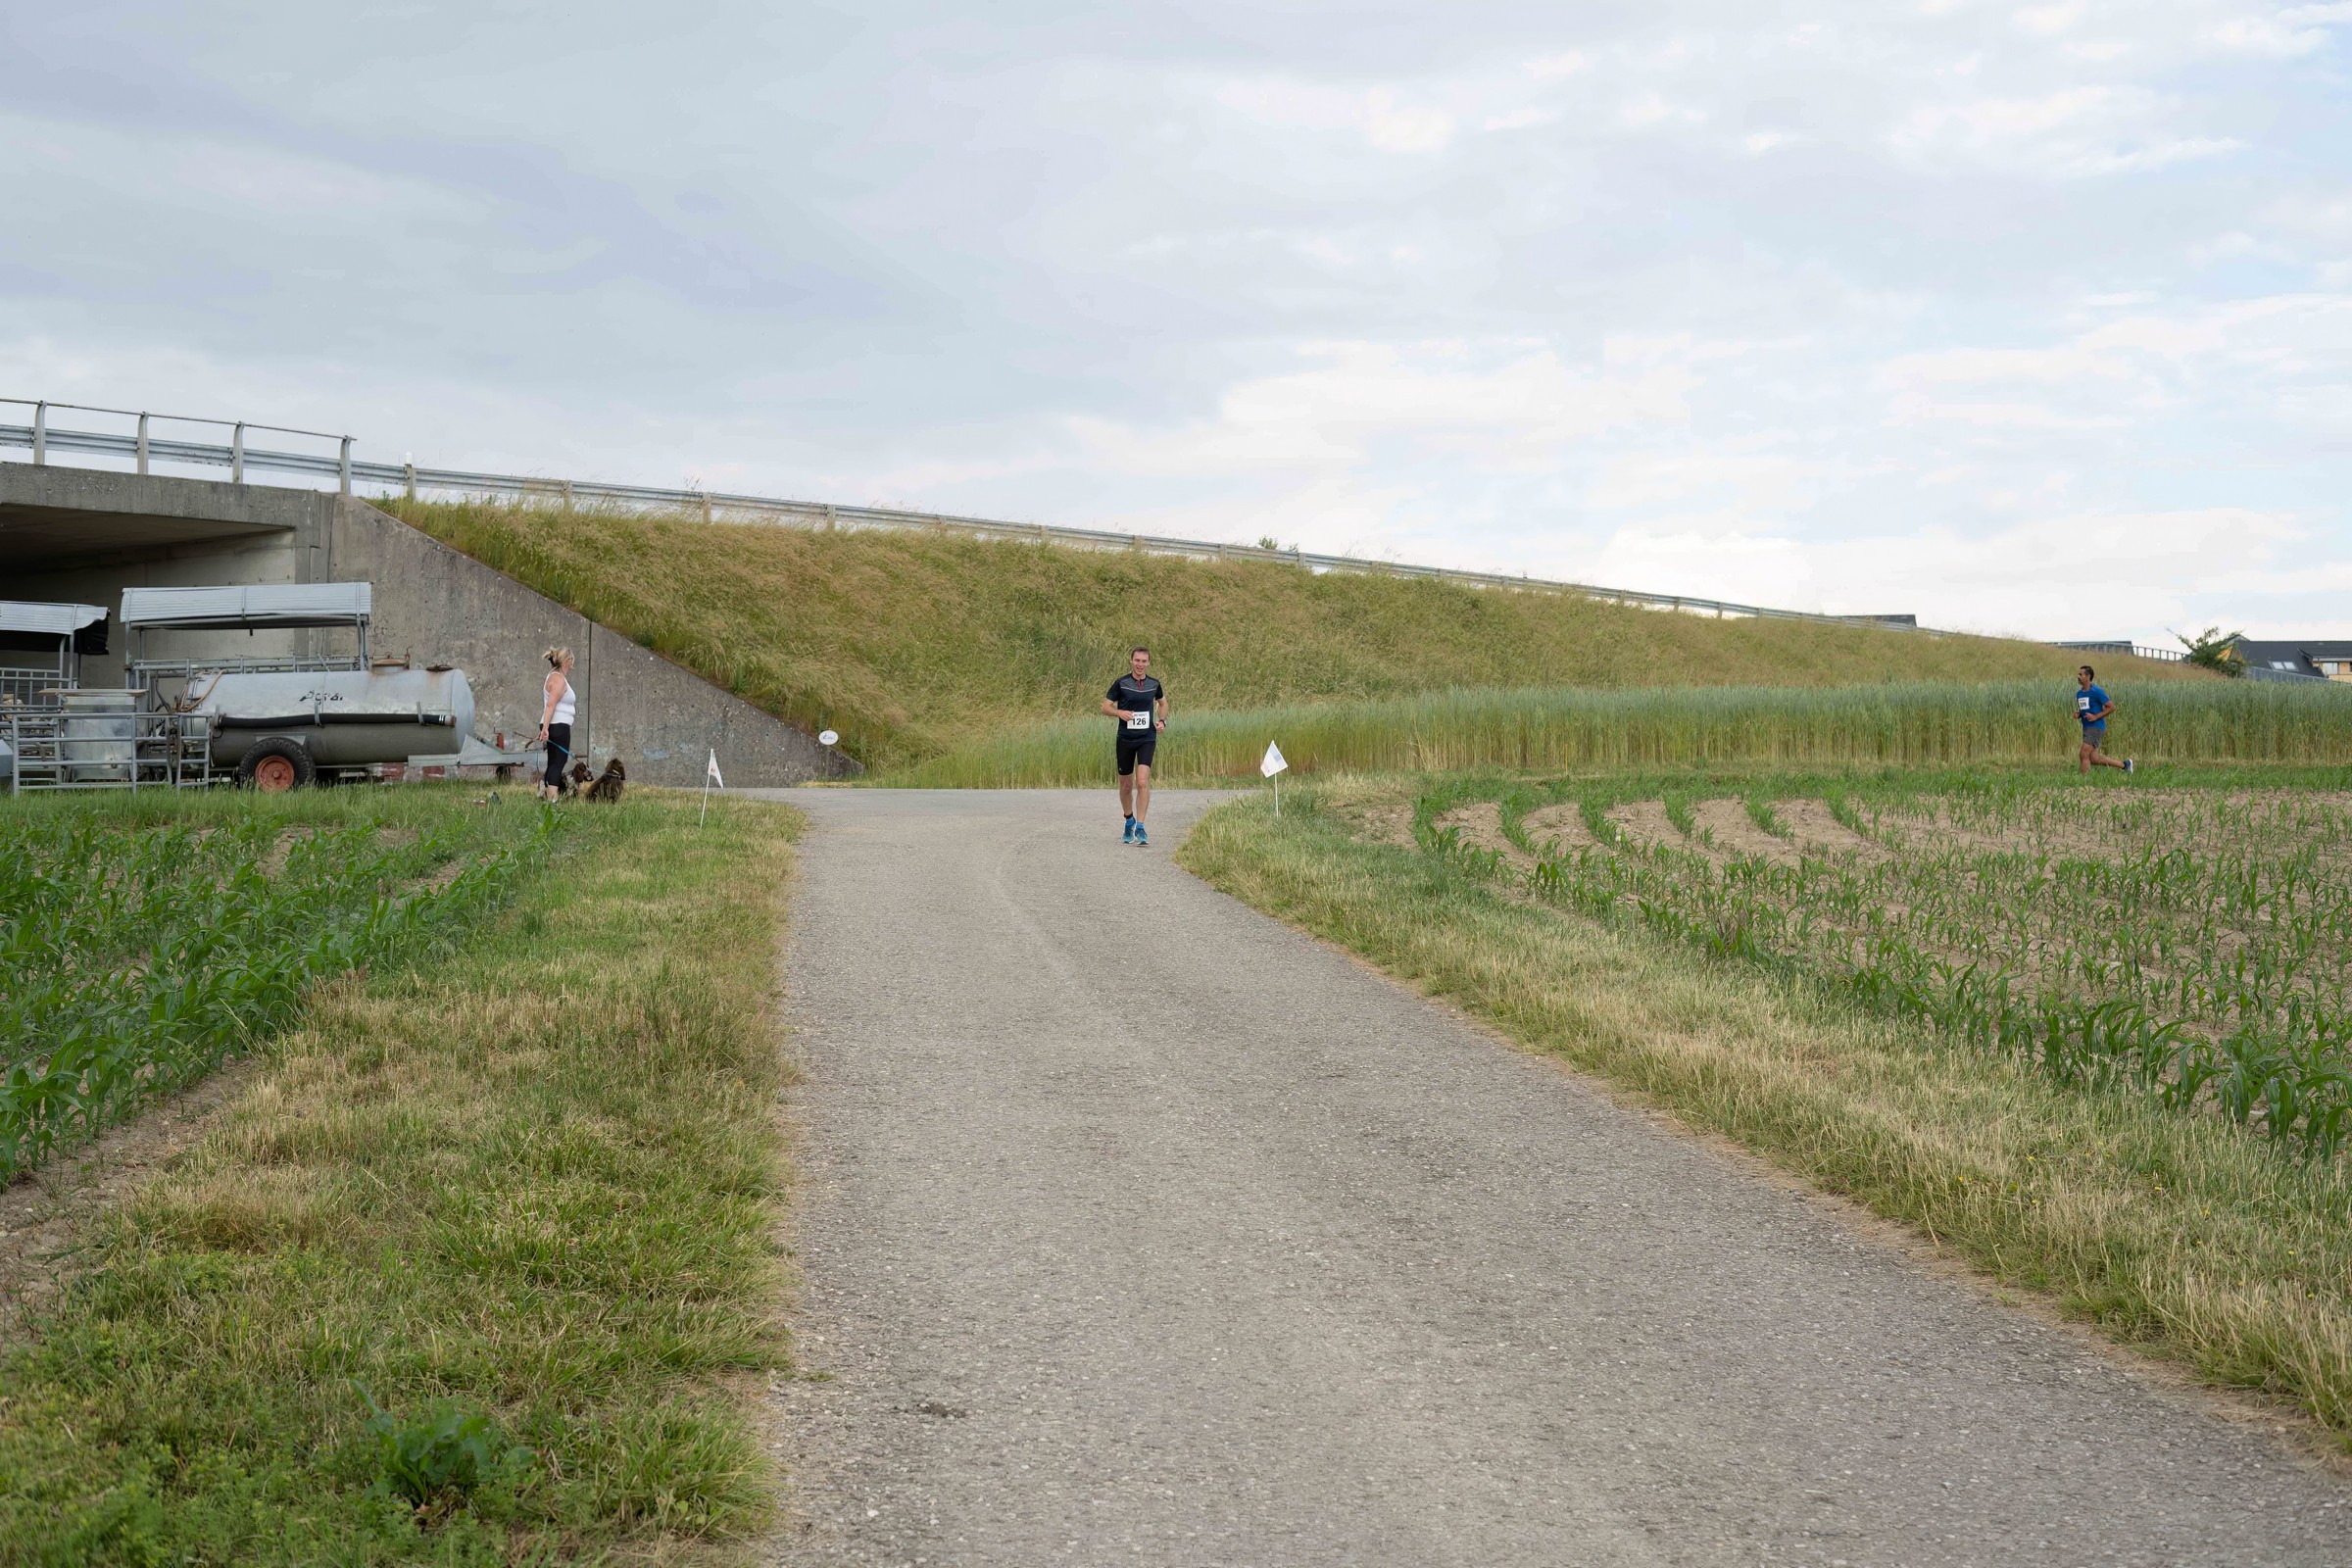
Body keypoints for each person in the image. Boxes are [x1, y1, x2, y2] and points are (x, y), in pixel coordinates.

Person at [1102, 645, 1167, 846]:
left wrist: (1162, 721)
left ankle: (1140, 826)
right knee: (1126, 785)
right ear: (1131, 661)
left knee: (1142, 782)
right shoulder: (1121, 683)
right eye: (1137, 660)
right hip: (1125, 739)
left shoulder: (1154, 684)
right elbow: (1105, 707)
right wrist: (1119, 713)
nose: (1140, 664)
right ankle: (1129, 820)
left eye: (1144, 661)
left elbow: (1163, 703)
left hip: (1147, 738)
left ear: (1149, 663)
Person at [2074, 664, 2133, 775]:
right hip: (2086, 727)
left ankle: (2084, 781)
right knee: (2094, 758)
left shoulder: (2096, 691)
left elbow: (2111, 707)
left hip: (2096, 727)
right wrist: (2079, 714)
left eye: (2081, 674)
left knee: (2083, 753)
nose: (2078, 676)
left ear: (2088, 676)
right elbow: (2085, 709)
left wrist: (2096, 717)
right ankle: (2125, 765)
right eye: (2078, 674)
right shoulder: (2079, 694)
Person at [538, 647, 577, 802]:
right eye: (570, 664)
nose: (571, 667)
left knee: (553, 762)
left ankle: (548, 799)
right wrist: (545, 728)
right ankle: (552, 801)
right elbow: (551, 705)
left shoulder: (553, 676)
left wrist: (545, 727)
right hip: (558, 725)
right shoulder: (558, 679)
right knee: (558, 763)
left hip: (554, 724)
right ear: (566, 661)